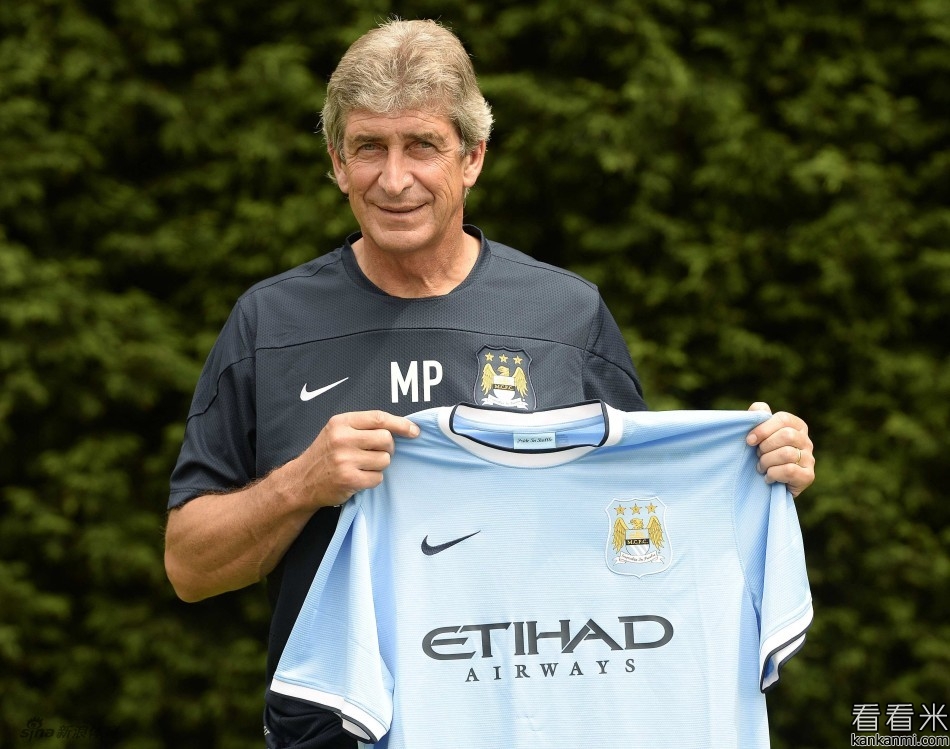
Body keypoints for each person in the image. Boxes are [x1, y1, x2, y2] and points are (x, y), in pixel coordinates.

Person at [164, 18, 815, 748]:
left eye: (423, 145)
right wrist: (302, 483)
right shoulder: (271, 323)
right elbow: (188, 566)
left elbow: (642, 526)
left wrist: (754, 468)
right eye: (369, 148)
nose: (394, 179)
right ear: (336, 162)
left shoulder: (563, 314)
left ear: (472, 157)